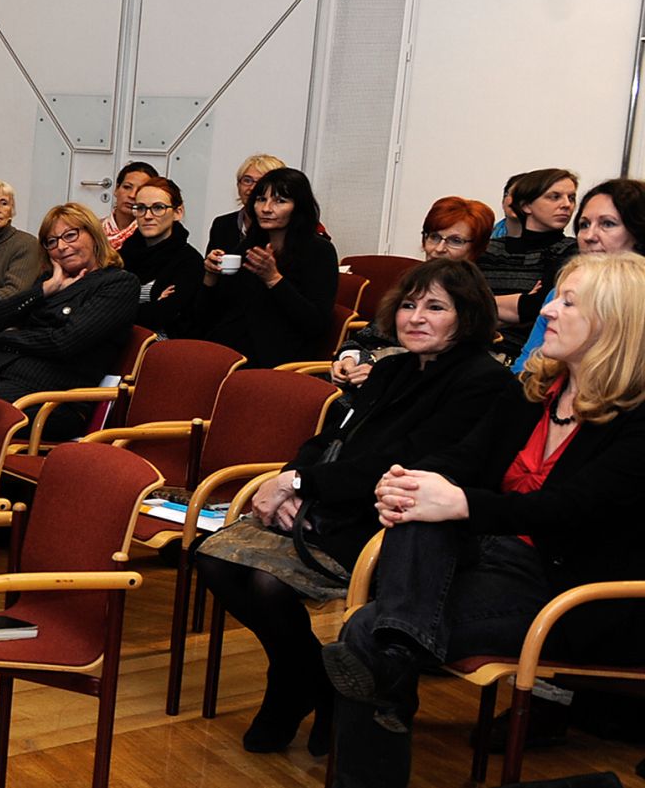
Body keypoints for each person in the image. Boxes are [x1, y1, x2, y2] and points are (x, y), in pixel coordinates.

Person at [322, 253, 645, 788]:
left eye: (567, 303)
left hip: (571, 594)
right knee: (423, 505)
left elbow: (572, 510)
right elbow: (464, 460)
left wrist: (459, 503)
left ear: (614, 323)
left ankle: (397, 651)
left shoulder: (637, 421)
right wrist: (407, 482)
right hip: (494, 563)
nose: (547, 311)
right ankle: (402, 645)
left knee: (364, 632)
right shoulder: (537, 390)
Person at [194, 259, 512, 757]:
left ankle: (295, 685)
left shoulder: (483, 381)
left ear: (467, 315)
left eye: (435, 307)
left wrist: (301, 483)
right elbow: (333, 439)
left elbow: (401, 464)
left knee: (266, 582)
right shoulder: (393, 368)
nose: (416, 317)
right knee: (212, 557)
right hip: (337, 503)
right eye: (409, 305)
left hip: (399, 526)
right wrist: (288, 481)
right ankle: (305, 676)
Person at [0, 203, 139, 438]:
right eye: (52, 242)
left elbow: (64, 342)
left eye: (70, 235)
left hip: (54, 401)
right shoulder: (51, 281)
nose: (61, 247)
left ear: (93, 235)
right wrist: (45, 289)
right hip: (3, 377)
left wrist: (7, 338)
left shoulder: (118, 283)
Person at [182, 168, 338, 368]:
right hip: (228, 347)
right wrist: (210, 276)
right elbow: (207, 315)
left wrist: (273, 279)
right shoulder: (250, 245)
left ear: (299, 207)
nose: (266, 208)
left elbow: (315, 324)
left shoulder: (319, 251)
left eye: (280, 201)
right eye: (261, 200)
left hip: (277, 355)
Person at [331, 196, 495, 387]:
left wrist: (382, 370)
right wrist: (349, 359)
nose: (439, 249)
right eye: (434, 237)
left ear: (477, 248)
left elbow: (449, 365)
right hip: (367, 379)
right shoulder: (413, 285)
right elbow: (365, 338)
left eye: (455, 241)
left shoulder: (475, 298)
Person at [506, 178, 645, 372]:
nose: (589, 236)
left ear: (638, 233)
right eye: (584, 225)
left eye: (607, 223)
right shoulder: (561, 293)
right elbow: (526, 366)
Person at [478, 167, 577, 354]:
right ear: (526, 206)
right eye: (554, 197)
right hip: (473, 349)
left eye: (571, 198)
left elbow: (536, 307)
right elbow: (457, 305)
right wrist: (517, 308)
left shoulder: (571, 251)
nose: (567, 205)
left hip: (527, 355)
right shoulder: (488, 249)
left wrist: (476, 305)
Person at [116, 175, 203, 334]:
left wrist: (120, 309)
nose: (147, 216)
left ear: (177, 212)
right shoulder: (123, 254)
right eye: (140, 208)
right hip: (116, 339)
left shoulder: (189, 261)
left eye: (158, 208)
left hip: (163, 344)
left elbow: (162, 315)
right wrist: (152, 305)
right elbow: (100, 305)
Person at [206, 153, 286, 255]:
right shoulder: (222, 224)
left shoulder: (281, 228)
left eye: (261, 182)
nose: (252, 188)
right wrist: (211, 264)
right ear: (238, 185)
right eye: (247, 180)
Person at [102, 160, 158, 250]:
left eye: (140, 190)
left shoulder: (152, 235)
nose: (132, 195)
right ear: (116, 189)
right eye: (127, 187)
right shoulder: (94, 229)